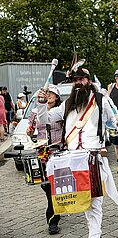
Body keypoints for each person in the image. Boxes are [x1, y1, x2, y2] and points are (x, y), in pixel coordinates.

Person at [37, 66, 118, 238]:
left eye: (81, 79)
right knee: (81, 199)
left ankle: (94, 234)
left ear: (89, 81)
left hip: (93, 158)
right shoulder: (67, 104)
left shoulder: (100, 100)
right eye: (75, 80)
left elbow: (116, 122)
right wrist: (41, 103)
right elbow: (45, 119)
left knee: (94, 201)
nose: (77, 83)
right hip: (72, 161)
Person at [26, 84, 63, 235]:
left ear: (57, 97)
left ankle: (53, 220)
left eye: (52, 93)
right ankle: (55, 208)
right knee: (46, 185)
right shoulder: (35, 112)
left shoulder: (61, 112)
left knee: (55, 185)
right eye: (47, 93)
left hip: (58, 151)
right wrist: (29, 132)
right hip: (41, 152)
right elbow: (30, 131)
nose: (49, 95)